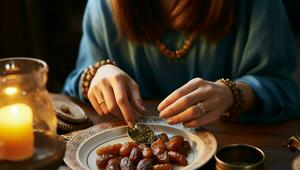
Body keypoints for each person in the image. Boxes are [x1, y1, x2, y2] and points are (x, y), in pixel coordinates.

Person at [63, 0, 300, 128]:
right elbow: (80, 80)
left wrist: (231, 94)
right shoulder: (104, 5)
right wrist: (98, 74)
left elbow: (282, 88)